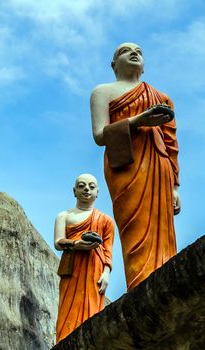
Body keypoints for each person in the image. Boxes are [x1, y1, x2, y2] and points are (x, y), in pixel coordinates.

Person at [90, 42, 181, 291]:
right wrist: (140, 120)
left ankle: (166, 285)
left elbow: (172, 145)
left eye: (139, 51)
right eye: (125, 51)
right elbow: (99, 135)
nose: (134, 53)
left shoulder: (161, 99)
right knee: (135, 231)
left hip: (159, 165)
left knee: (162, 230)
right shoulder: (103, 92)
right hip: (126, 166)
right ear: (113, 64)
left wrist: (175, 187)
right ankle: (141, 287)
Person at [54, 174, 114, 343]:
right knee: (67, 310)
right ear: (74, 191)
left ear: (97, 192)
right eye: (81, 186)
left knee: (93, 310)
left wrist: (107, 273)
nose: (86, 189)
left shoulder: (106, 221)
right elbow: (58, 242)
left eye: (91, 186)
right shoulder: (64, 216)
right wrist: (77, 244)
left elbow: (108, 251)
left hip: (95, 270)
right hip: (72, 268)